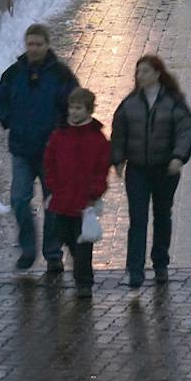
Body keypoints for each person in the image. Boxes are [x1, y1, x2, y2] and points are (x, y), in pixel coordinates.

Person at [0, 23, 77, 274]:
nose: (34, 48)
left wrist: (65, 132)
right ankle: (28, 248)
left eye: (39, 44)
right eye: (30, 44)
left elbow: (74, 102)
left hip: (52, 151)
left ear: (47, 45)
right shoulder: (13, 74)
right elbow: (0, 99)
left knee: (53, 203)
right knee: (19, 199)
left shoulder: (61, 74)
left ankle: (52, 253)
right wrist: (7, 120)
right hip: (21, 149)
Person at [109, 54, 191, 288]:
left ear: (157, 73)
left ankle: (160, 263)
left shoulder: (173, 101)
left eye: (145, 71)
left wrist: (178, 157)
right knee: (138, 218)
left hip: (165, 168)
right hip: (137, 169)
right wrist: (118, 159)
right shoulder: (130, 103)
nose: (140, 76)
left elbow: (185, 130)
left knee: (162, 215)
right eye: (138, 72)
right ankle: (135, 269)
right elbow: (119, 133)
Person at [40, 87, 111, 292]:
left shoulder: (97, 140)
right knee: (66, 239)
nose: (74, 112)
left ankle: (84, 283)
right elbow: (49, 162)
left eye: (78, 108)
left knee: (83, 246)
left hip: (84, 204)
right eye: (72, 107)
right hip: (63, 201)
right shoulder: (59, 135)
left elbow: (101, 169)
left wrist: (95, 191)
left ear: (88, 110)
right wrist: (53, 186)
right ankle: (80, 276)